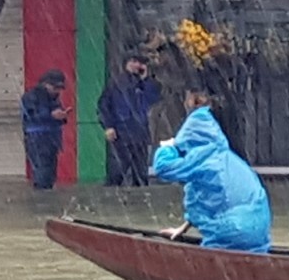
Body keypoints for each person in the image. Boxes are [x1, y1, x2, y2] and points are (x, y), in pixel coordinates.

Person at [150, 101, 271, 253]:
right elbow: (211, 201)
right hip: (259, 232)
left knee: (212, 261)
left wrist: (169, 147)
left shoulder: (202, 158)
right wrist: (183, 229)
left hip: (230, 232)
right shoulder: (231, 159)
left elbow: (163, 168)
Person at [97, 53, 162, 187]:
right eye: (134, 61)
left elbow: (153, 99)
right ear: (127, 63)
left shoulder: (145, 84)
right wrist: (108, 126)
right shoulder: (116, 83)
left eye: (140, 63)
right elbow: (104, 106)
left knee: (140, 173)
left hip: (140, 132)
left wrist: (146, 79)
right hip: (121, 131)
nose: (137, 65)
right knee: (117, 171)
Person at [20, 70, 69, 190]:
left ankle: (45, 197)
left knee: (49, 173)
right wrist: (51, 115)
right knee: (42, 172)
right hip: (37, 138)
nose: (57, 91)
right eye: (55, 87)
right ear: (46, 84)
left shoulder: (54, 98)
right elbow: (30, 115)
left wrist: (62, 116)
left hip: (52, 138)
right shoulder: (31, 96)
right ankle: (42, 199)